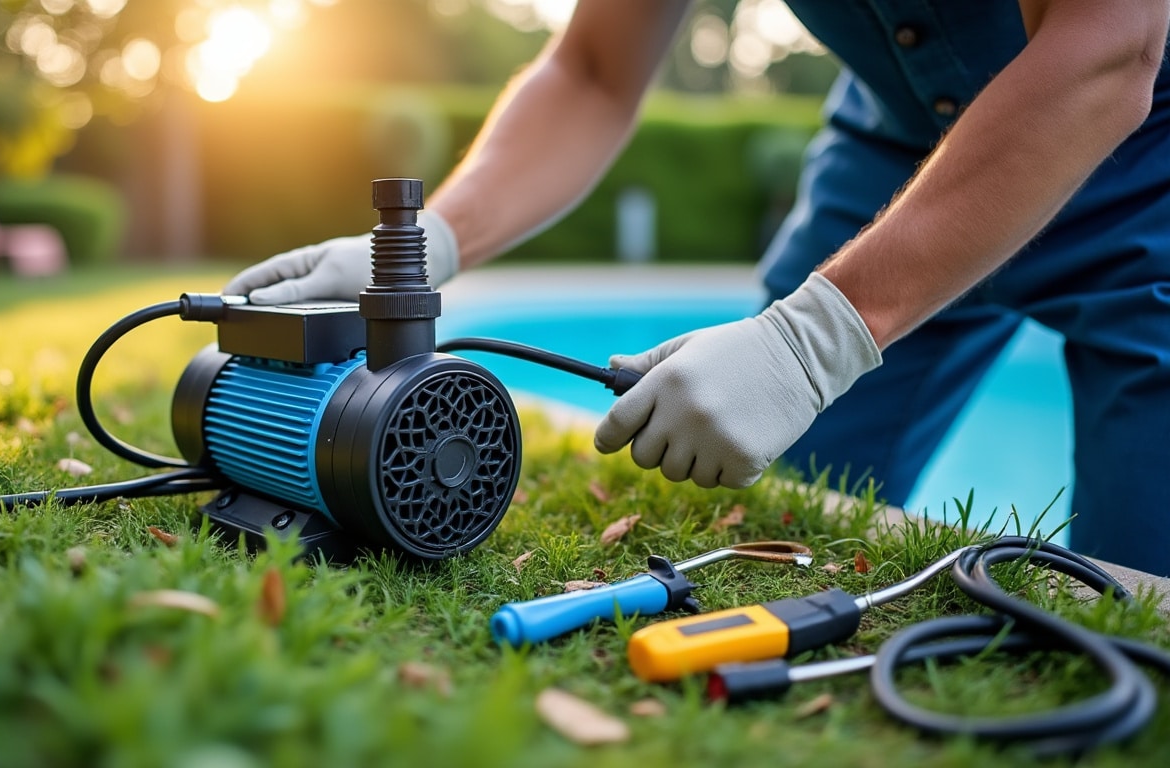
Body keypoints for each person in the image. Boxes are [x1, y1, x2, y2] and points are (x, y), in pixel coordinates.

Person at [224, 0, 1170, 576]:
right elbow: (594, 70)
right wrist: (436, 238)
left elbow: (1110, 41)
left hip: (1144, 169)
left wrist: (814, 338)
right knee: (779, 506)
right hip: (891, 162)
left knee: (1137, 589)